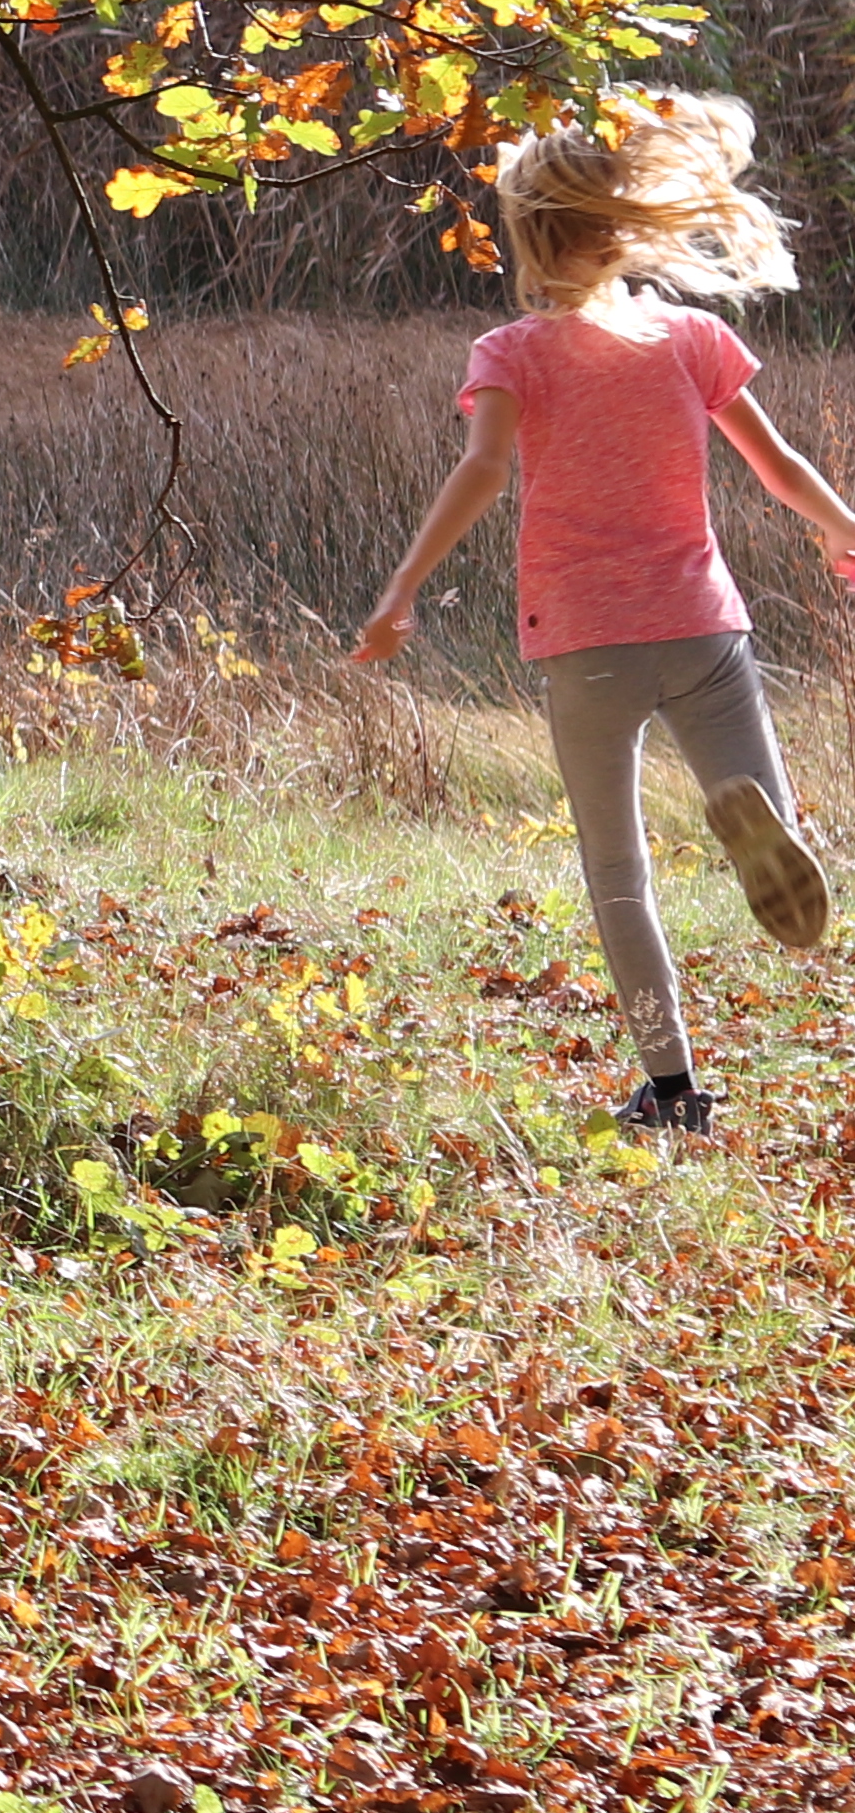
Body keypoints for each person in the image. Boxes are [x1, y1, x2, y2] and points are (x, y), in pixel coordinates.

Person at [351, 96, 855, 1134]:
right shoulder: (693, 337)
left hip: (584, 640)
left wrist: (401, 590)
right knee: (748, 787)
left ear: (527, 238)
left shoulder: (510, 354)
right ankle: (772, 823)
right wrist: (846, 529)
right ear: (624, 228)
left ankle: (673, 1091)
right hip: (703, 625)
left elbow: (483, 470)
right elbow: (779, 467)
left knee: (616, 867)